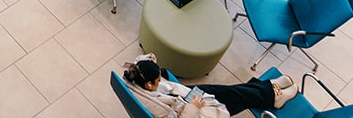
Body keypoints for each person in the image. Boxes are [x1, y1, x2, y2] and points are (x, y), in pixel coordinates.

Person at [123, 54, 297, 117]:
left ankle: (268, 90)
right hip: (190, 108)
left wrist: (153, 70)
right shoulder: (155, 106)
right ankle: (272, 95)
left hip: (186, 96)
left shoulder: (135, 79)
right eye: (158, 80)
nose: (161, 81)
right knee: (234, 100)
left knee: (231, 91)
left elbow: (145, 58)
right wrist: (193, 107)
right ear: (149, 83)